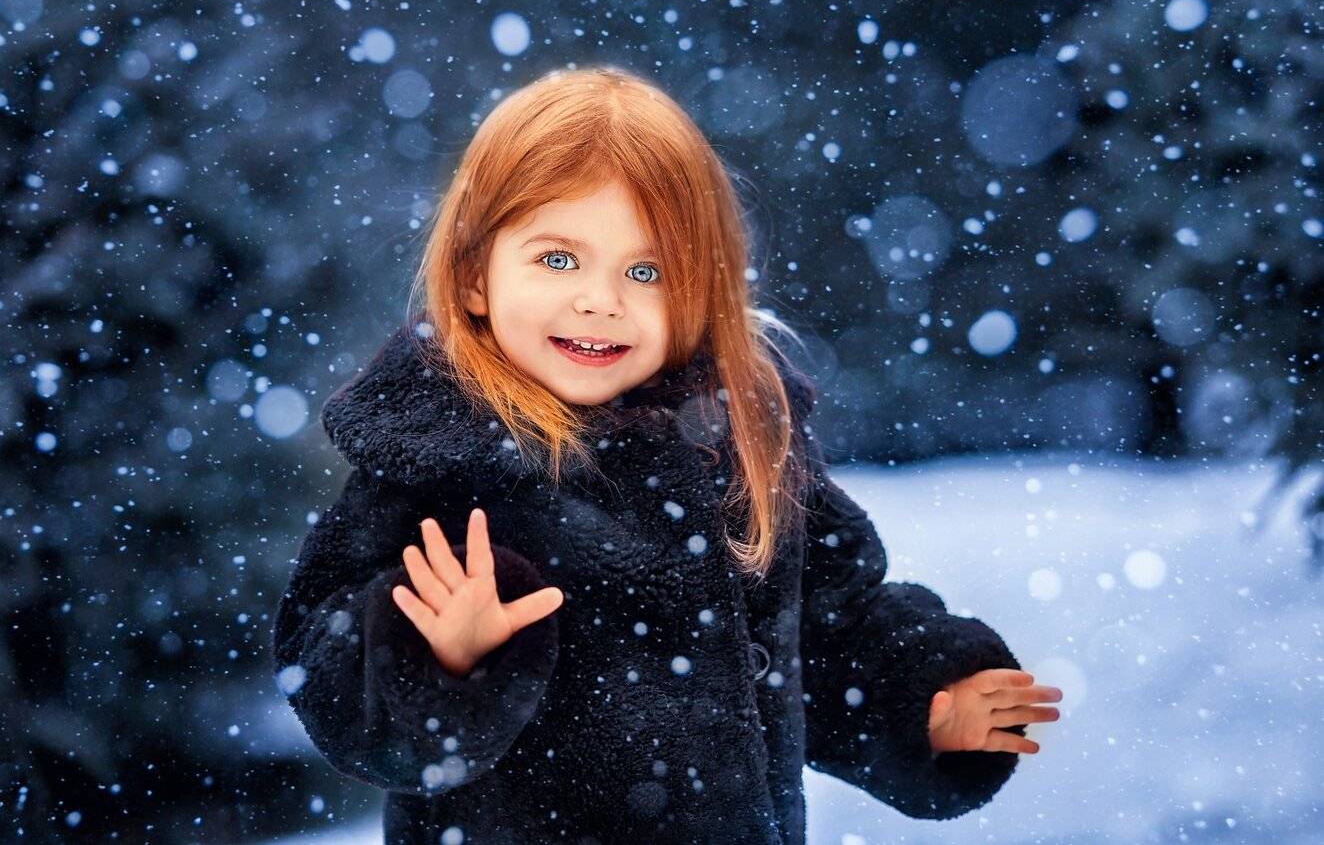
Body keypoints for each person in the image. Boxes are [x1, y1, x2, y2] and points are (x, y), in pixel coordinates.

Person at [271, 65, 1063, 844]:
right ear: (476, 275)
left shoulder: (739, 439)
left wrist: (920, 700)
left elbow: (831, 629)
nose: (601, 299)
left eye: (646, 271)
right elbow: (328, 672)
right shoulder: (437, 449)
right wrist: (439, 655)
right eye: (558, 258)